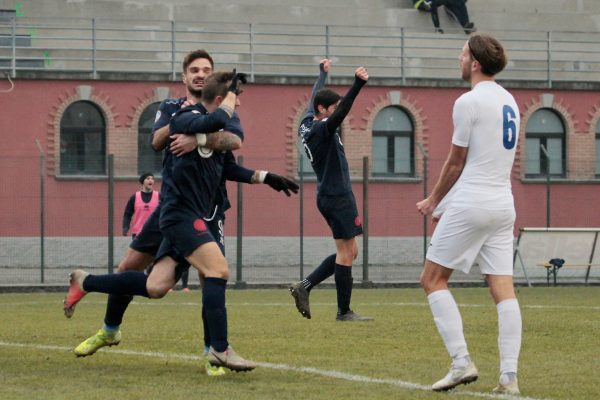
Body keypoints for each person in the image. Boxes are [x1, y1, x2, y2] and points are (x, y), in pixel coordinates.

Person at [65, 50, 297, 375]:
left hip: (204, 211)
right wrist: (207, 118)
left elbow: (232, 142)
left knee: (159, 287)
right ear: (184, 77)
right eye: (194, 70)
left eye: (207, 70)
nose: (200, 74)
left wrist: (264, 176)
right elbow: (161, 139)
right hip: (177, 211)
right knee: (209, 269)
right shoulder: (178, 110)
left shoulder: (215, 115)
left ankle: (86, 281)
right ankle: (214, 349)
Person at [415, 33, 521, 395]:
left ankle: (461, 362)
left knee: (432, 280)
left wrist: (433, 200)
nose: (458, 60)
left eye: (462, 54)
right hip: (503, 205)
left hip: (474, 201)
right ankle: (509, 378)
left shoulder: (468, 101)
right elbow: (487, 161)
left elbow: (457, 161)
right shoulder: (510, 101)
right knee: (504, 291)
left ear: (474, 63)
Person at [289, 59, 373, 322]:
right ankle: (343, 311)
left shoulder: (307, 121)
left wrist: (322, 75)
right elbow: (341, 112)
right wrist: (357, 84)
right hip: (337, 196)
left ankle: (305, 286)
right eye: (332, 108)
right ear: (323, 110)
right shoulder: (320, 129)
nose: (336, 113)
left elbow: (314, 97)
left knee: (349, 252)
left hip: (330, 194)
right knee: (347, 253)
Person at [122, 173, 159, 238]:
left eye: (152, 179)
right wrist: (125, 227)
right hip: (138, 233)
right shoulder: (135, 197)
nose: (151, 180)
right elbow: (127, 214)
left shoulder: (159, 196)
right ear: (143, 181)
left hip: (155, 233)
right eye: (148, 178)